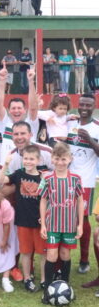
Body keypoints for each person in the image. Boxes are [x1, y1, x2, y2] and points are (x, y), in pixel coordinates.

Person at [39, 142, 84, 304]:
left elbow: (80, 201)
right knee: (51, 255)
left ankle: (65, 287)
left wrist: (79, 224)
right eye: (57, 159)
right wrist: (43, 224)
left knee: (65, 255)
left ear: (70, 159)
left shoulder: (76, 179)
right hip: (52, 225)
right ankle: (47, 291)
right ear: (52, 159)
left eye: (63, 159)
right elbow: (43, 201)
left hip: (69, 226)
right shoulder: (48, 179)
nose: (60, 162)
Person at [0, 145, 46, 292]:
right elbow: (0, 180)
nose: (28, 161)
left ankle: (44, 279)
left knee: (42, 252)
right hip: (23, 221)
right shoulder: (18, 174)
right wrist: (5, 164)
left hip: (39, 221)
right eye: (26, 158)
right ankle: (27, 278)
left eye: (32, 159)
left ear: (38, 160)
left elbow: (48, 199)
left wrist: (45, 219)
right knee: (25, 252)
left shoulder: (43, 177)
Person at [65, 94, 99, 279]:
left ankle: (84, 260)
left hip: (85, 181)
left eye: (89, 105)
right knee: (64, 216)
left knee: (83, 219)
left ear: (94, 107)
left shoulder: (96, 127)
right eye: (82, 104)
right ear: (78, 106)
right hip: (66, 178)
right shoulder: (70, 123)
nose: (84, 107)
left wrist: (90, 140)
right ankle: (64, 256)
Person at [0, 66, 39, 160]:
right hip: (7, 171)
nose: (16, 111)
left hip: (27, 169)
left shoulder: (30, 123)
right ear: (9, 111)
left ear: (24, 110)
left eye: (19, 108)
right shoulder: (5, 123)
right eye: (13, 108)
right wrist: (2, 81)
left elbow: (33, 108)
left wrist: (31, 81)